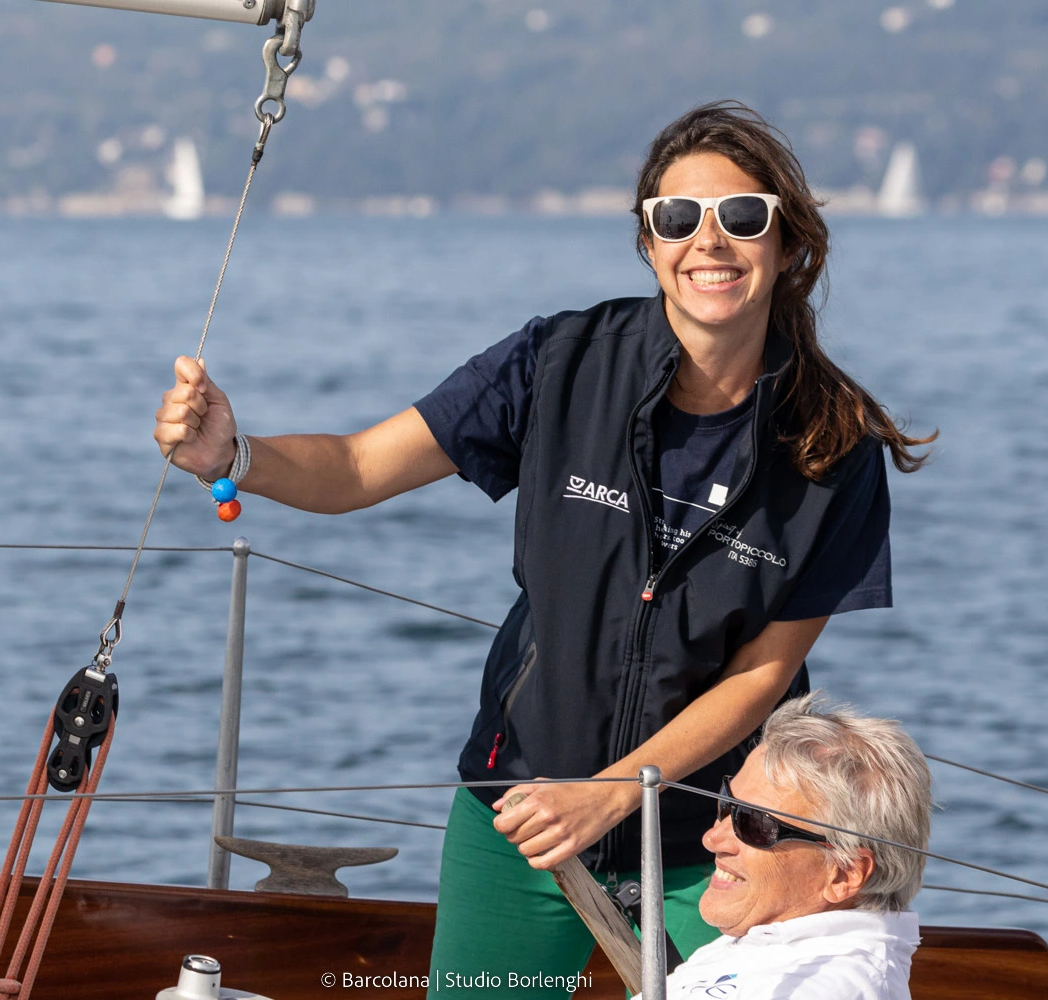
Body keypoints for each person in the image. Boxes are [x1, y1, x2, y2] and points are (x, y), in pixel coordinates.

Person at [153, 100, 933, 997]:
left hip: (713, 844)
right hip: (520, 815)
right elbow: (360, 466)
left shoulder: (835, 443)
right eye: (678, 217)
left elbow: (763, 676)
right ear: (648, 242)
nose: (708, 241)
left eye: (742, 216)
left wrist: (615, 791)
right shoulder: (558, 363)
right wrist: (234, 457)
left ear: (788, 242)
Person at [663, 694, 931, 999]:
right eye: (726, 803)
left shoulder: (829, 986)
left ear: (844, 874)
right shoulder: (754, 945)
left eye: (755, 825)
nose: (712, 839)